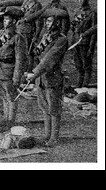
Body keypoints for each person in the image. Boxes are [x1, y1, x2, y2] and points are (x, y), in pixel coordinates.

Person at [25, 8, 69, 147]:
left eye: (50, 21)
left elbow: (49, 59)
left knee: (54, 108)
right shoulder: (45, 36)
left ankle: (54, 137)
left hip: (53, 77)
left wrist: (35, 72)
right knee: (44, 107)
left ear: (57, 22)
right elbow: (39, 56)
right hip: (42, 77)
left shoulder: (61, 39)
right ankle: (47, 135)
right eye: (46, 21)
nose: (47, 24)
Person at [0, 0, 43, 73]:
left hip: (28, 32)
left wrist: (36, 35)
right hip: (19, 29)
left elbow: (39, 23)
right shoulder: (25, 1)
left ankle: (27, 72)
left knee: (27, 52)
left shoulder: (37, 5)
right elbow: (13, 2)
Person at [72, 0, 97, 88]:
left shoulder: (92, 13)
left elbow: (95, 30)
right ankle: (79, 85)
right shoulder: (77, 12)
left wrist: (91, 47)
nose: (80, 1)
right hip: (76, 42)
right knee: (78, 65)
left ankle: (85, 86)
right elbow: (73, 26)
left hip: (85, 43)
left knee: (86, 65)